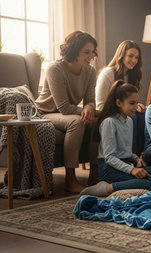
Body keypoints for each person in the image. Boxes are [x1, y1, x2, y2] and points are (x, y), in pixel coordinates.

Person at [80, 81, 151, 196]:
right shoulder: (109, 122)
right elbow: (109, 158)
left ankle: (135, 183)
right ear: (119, 103)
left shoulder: (130, 121)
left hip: (125, 165)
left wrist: (136, 159)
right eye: (132, 103)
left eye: (137, 103)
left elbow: (126, 151)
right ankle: (107, 187)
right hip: (109, 169)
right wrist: (132, 170)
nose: (136, 107)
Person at [35, 31, 98, 193]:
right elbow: (63, 107)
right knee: (76, 122)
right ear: (73, 50)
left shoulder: (90, 71)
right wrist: (85, 110)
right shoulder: (55, 69)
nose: (91, 56)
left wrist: (90, 107)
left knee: (99, 121)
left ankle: (95, 174)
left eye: (92, 52)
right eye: (86, 52)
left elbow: (90, 99)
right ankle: (70, 179)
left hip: (68, 112)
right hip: (46, 112)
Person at [95, 40, 146, 155]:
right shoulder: (107, 73)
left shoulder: (131, 75)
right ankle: (126, 156)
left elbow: (128, 101)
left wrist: (136, 106)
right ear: (121, 55)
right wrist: (124, 110)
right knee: (132, 119)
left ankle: (138, 156)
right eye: (130, 56)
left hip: (122, 112)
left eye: (136, 58)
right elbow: (100, 105)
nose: (134, 60)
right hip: (106, 114)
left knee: (143, 116)